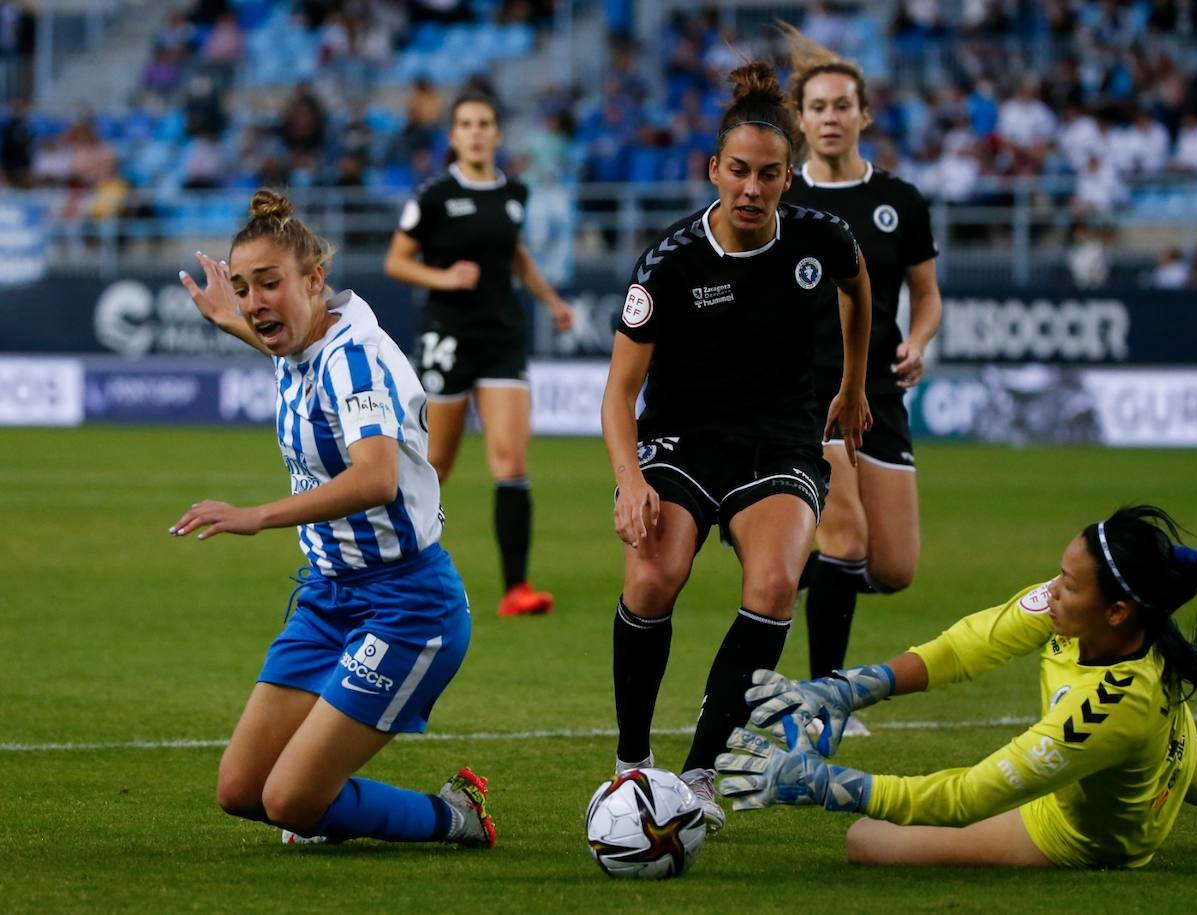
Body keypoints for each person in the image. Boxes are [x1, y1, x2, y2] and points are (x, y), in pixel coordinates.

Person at [717, 505, 1197, 868]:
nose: (1053, 590)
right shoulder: (1098, 614)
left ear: (1115, 612)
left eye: (1070, 584)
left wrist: (825, 784)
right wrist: (853, 686)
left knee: (864, 843)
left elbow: (968, 798)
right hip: (1144, 761)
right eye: (1059, 572)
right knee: (1165, 739)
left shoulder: (1107, 708)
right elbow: (966, 647)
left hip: (1088, 835)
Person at [173, 189, 494, 849]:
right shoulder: (307, 343)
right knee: (241, 790)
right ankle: (324, 811)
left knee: (289, 798)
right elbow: (290, 355)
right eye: (244, 286)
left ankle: (452, 814)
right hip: (328, 595)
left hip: (408, 604)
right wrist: (229, 319)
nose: (255, 300)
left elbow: (375, 477)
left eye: (269, 283)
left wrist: (256, 515)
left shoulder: (355, 358)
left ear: (314, 280)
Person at [600, 59, 873, 834]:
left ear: (791, 177)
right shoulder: (669, 262)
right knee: (655, 573)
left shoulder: (823, 237)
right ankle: (630, 763)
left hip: (780, 438)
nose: (752, 189)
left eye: (769, 175)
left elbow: (858, 290)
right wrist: (629, 481)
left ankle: (701, 771)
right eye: (739, 172)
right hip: (683, 438)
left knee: (776, 583)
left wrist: (853, 387)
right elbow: (618, 395)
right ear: (712, 169)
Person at [778, 26, 942, 714]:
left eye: (843, 105)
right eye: (818, 107)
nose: (831, 117)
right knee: (846, 536)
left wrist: (920, 339)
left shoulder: (899, 200)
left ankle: (783, 566)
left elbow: (926, 295)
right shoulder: (784, 202)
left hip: (881, 389)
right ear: (801, 119)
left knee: (893, 567)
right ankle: (824, 694)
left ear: (864, 115)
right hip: (813, 390)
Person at [385, 90, 574, 618]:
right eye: (465, 123)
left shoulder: (515, 192)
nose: (475, 131)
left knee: (511, 460)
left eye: (484, 123)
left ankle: (517, 588)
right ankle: (396, 569)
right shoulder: (434, 196)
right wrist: (442, 276)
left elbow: (515, 254)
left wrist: (552, 301)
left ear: (496, 133)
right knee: (436, 463)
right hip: (449, 337)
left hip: (502, 337)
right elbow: (397, 262)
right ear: (453, 136)